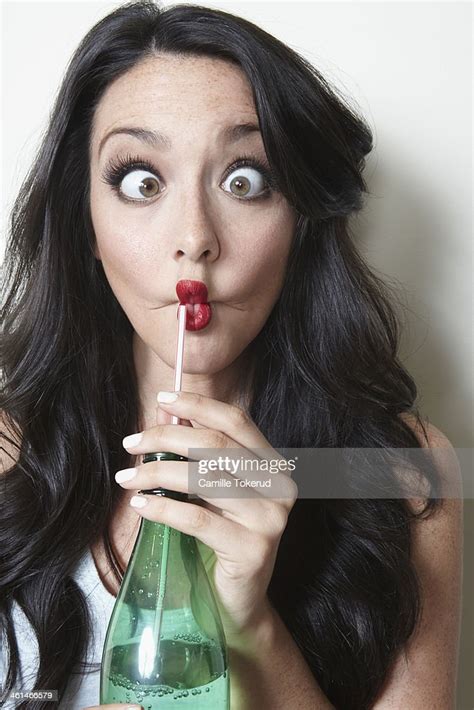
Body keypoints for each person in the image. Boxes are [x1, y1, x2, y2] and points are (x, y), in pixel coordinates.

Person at [0, 2, 463, 709]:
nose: (195, 238)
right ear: (84, 226)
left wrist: (251, 623)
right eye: (140, 180)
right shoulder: (8, 450)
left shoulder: (393, 472)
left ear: (300, 221)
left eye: (245, 179)